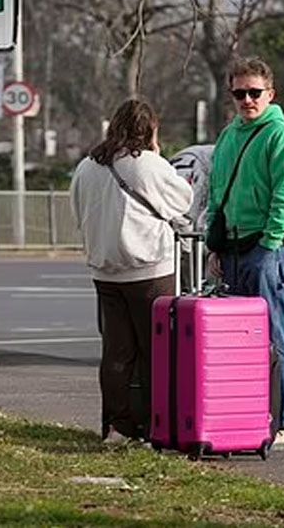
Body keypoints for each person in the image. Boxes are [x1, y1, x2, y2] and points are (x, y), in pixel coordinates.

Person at [71, 99, 193, 444]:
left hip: (105, 271)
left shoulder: (87, 167)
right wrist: (156, 153)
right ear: (149, 129)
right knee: (156, 352)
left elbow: (77, 211)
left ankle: (117, 426)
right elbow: (183, 201)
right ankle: (157, 423)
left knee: (116, 353)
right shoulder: (149, 164)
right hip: (150, 268)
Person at [206, 57, 284, 449]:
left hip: (267, 249)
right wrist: (215, 242)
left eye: (254, 92)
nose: (247, 100)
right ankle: (245, 414)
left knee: (273, 336)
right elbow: (217, 192)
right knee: (240, 340)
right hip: (232, 247)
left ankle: (279, 421)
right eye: (239, 93)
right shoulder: (230, 135)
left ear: (270, 94)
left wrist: (269, 243)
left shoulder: (279, 136)